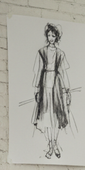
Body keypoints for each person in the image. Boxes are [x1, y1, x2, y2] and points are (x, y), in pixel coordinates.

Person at [32, 22, 71, 159]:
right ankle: (50, 144)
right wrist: (37, 89)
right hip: (44, 85)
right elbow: (38, 71)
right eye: (49, 35)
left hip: (56, 86)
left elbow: (63, 73)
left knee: (56, 116)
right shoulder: (42, 52)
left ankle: (54, 143)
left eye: (53, 36)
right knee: (46, 116)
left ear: (57, 37)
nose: (51, 38)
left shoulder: (60, 53)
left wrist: (67, 90)